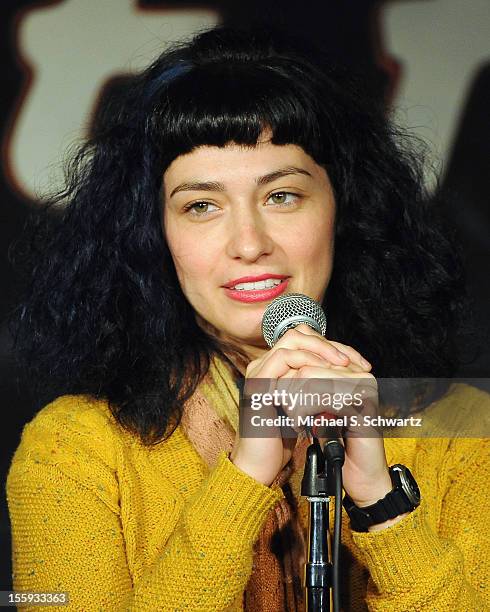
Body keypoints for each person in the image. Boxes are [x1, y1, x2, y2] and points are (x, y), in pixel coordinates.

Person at [7, 25, 489, 611]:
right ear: (155, 236)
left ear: (345, 208)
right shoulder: (71, 449)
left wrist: (380, 504)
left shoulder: (467, 427)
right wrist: (242, 484)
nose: (249, 242)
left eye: (281, 196)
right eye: (202, 206)